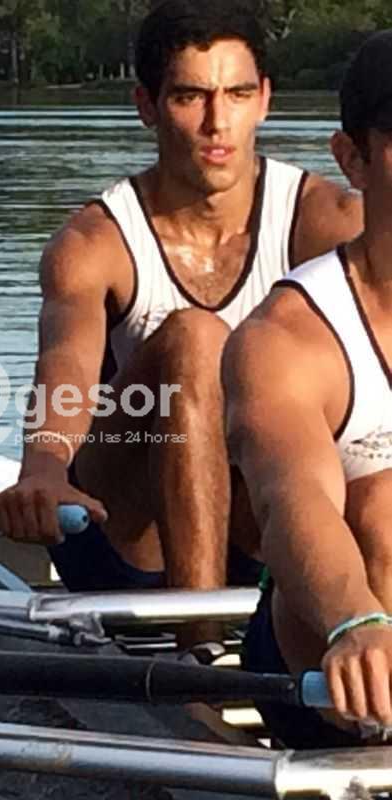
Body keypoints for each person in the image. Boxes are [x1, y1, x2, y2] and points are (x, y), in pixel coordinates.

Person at [0, 0, 362, 644]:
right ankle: (199, 652)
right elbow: (67, 368)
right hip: (123, 537)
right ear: (147, 105)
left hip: (266, 525)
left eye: (237, 94)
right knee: (195, 339)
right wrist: (45, 469)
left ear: (264, 99)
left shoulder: (329, 221)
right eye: (191, 97)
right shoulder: (93, 244)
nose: (218, 123)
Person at [223, 30, 392, 747]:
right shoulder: (285, 338)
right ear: (351, 158)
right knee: (381, 507)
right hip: (320, 648)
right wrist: (356, 618)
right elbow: (293, 499)